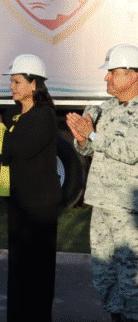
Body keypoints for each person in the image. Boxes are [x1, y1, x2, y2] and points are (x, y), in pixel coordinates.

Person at [0, 54, 60, 322]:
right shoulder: (15, 113)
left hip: (39, 205)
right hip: (19, 200)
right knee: (18, 267)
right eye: (12, 82)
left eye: (16, 82)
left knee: (37, 270)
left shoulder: (45, 115)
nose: (11, 87)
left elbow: (20, 150)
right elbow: (0, 149)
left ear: (34, 84)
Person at [67, 44, 138, 322]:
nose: (106, 78)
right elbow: (87, 151)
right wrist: (82, 138)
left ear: (132, 76)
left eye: (112, 72)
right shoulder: (105, 109)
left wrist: (94, 137)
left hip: (126, 211)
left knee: (130, 277)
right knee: (104, 274)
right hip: (101, 203)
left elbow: (131, 151)